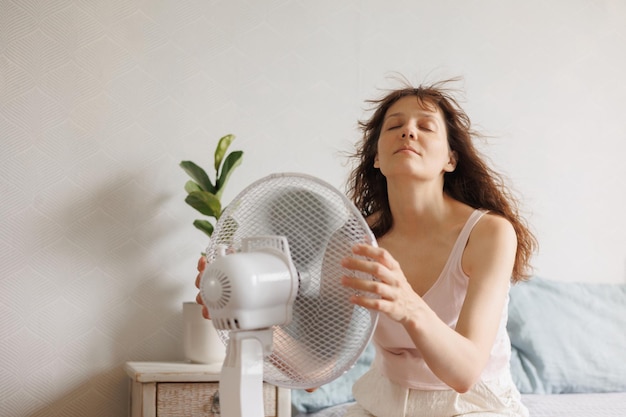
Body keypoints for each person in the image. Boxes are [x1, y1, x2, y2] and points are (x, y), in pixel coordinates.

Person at [195, 78, 537, 417]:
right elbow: (314, 373)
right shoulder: (353, 240)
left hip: (474, 407)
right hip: (381, 407)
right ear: (376, 158)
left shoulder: (490, 233)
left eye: (426, 126)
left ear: (450, 158)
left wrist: (408, 305)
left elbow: (464, 374)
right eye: (395, 126)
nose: (408, 132)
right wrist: (246, 315)